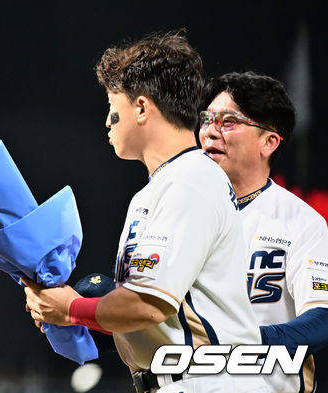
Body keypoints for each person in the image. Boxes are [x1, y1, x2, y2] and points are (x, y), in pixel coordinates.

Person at [22, 31, 269, 393]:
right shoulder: (162, 187)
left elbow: (148, 306)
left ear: (140, 108)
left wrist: (73, 309)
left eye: (112, 108)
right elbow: (156, 319)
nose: (107, 122)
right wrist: (71, 308)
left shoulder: (189, 180)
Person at [198, 71, 328, 393]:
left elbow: (321, 319)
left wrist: (240, 340)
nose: (211, 132)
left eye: (228, 121)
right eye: (207, 119)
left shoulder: (301, 222)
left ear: (269, 142)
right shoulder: (180, 214)